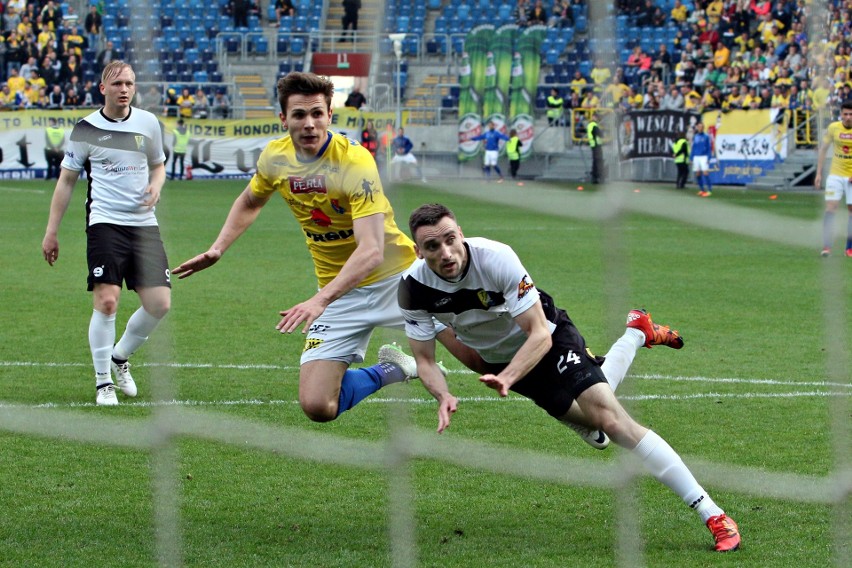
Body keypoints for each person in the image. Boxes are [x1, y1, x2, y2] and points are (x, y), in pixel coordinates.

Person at [394, 202, 742, 553]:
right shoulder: (412, 289)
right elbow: (424, 360)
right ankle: (638, 331)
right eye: (433, 246)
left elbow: (539, 335)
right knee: (598, 430)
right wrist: (442, 394)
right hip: (504, 364)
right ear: (418, 250)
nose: (446, 252)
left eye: (451, 239)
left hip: (550, 340)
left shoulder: (496, 258)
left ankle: (713, 514)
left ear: (461, 234)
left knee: (611, 419)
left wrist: (509, 377)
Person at [171, 72, 475, 423]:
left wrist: (319, 300)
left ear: (330, 115)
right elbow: (251, 200)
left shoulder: (353, 162)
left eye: (318, 113)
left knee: (479, 357)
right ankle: (391, 371)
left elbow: (372, 250)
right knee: (318, 406)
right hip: (339, 290)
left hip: (400, 281)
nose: (310, 123)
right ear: (283, 119)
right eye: (299, 115)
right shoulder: (275, 159)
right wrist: (218, 249)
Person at [41, 61, 170, 406]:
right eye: (117, 84)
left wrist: (156, 187)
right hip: (105, 222)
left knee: (159, 303)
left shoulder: (148, 123)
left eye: (129, 83)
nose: (124, 89)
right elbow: (66, 180)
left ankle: (119, 358)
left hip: (144, 225)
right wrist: (51, 233)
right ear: (103, 89)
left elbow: (158, 165)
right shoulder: (86, 129)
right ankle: (103, 384)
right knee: (108, 299)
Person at [814, 99, 852, 258]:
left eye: (851, 114)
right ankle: (827, 246)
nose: (849, 117)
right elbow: (823, 149)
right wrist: (818, 173)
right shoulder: (833, 128)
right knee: (831, 207)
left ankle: (849, 248)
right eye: (846, 114)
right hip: (835, 174)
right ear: (841, 114)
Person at [690, 121, 713, 197]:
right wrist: (691, 157)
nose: (700, 128)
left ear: (703, 128)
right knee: (697, 173)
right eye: (699, 126)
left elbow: (709, 148)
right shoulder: (695, 136)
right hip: (696, 156)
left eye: (701, 127)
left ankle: (709, 190)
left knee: (705, 172)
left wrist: (709, 157)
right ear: (697, 127)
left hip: (704, 156)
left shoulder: (706, 136)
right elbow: (693, 147)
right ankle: (702, 189)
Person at [587, 111, 604, 184]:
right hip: (596, 145)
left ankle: (595, 177)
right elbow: (600, 134)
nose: (597, 118)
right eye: (596, 117)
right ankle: (599, 177)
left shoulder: (591, 125)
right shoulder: (594, 125)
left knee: (595, 161)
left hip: (593, 145)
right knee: (598, 161)